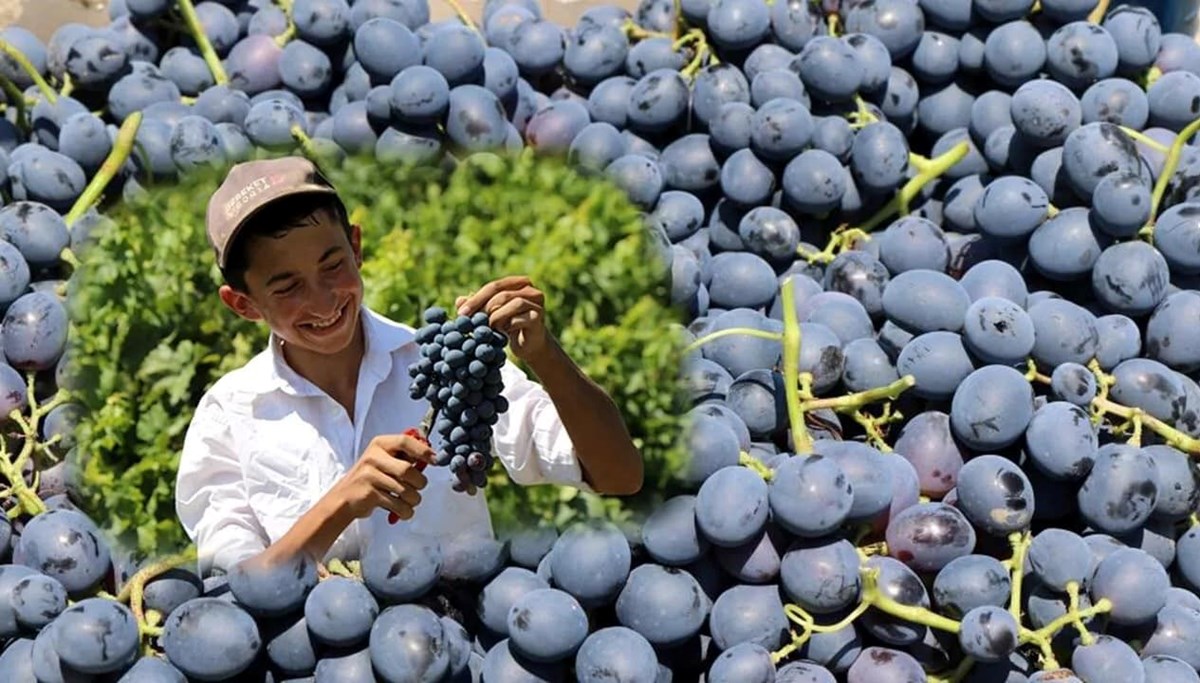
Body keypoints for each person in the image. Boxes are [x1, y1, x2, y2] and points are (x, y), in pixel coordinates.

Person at [174, 156, 644, 578]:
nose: (322, 300)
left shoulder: (445, 364)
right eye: (287, 287)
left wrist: (544, 355)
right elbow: (239, 593)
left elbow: (618, 475)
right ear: (243, 305)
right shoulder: (229, 417)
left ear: (356, 247)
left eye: (333, 265)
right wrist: (342, 502)